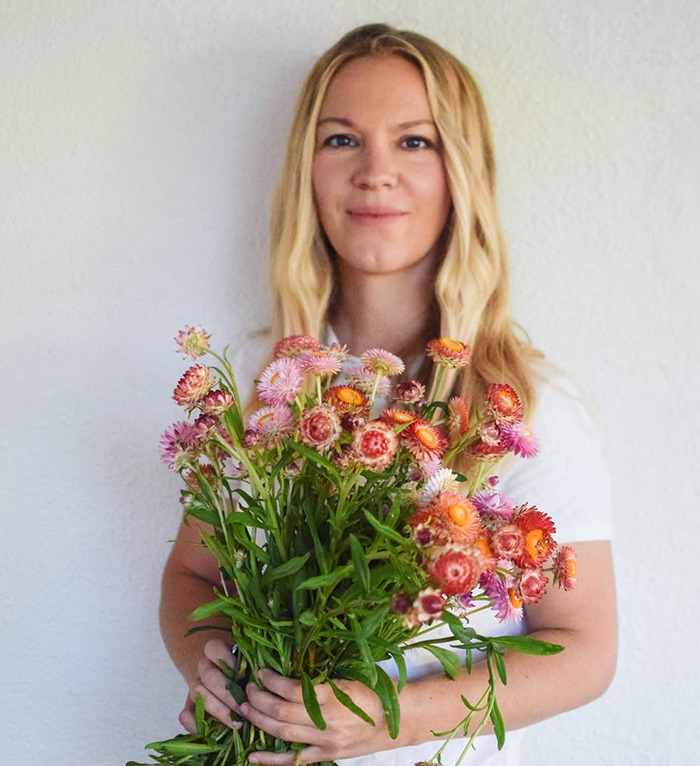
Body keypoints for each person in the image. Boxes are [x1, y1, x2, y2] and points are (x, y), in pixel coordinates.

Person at [159, 23, 617, 765]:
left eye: (414, 142)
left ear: (461, 173)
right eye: (341, 140)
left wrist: (387, 721)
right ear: (305, 169)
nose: (375, 172)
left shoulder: (523, 408)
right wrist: (210, 663)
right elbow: (192, 575)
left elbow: (585, 649)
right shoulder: (259, 380)